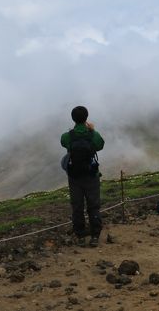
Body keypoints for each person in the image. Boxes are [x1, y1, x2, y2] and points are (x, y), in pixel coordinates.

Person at [61, 106, 105, 247]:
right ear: (86, 118)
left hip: (74, 177)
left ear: (73, 118)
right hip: (91, 175)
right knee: (93, 205)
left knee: (77, 206)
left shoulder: (67, 136)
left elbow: (63, 143)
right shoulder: (93, 135)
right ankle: (95, 236)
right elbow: (100, 145)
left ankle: (80, 235)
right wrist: (92, 130)